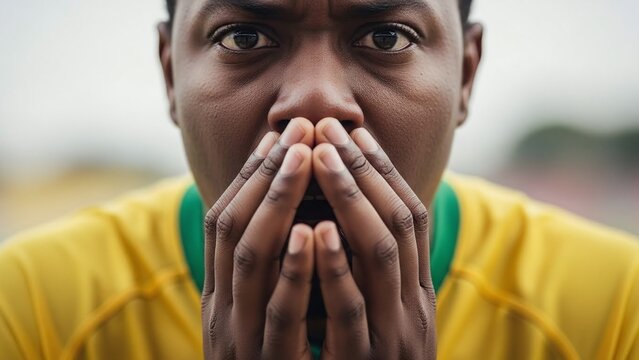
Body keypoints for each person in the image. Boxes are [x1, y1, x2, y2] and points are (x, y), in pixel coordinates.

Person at [1, 0, 638, 358]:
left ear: (466, 75)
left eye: (387, 36)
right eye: (243, 35)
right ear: (171, 75)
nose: (315, 101)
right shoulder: (28, 310)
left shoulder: (614, 312)